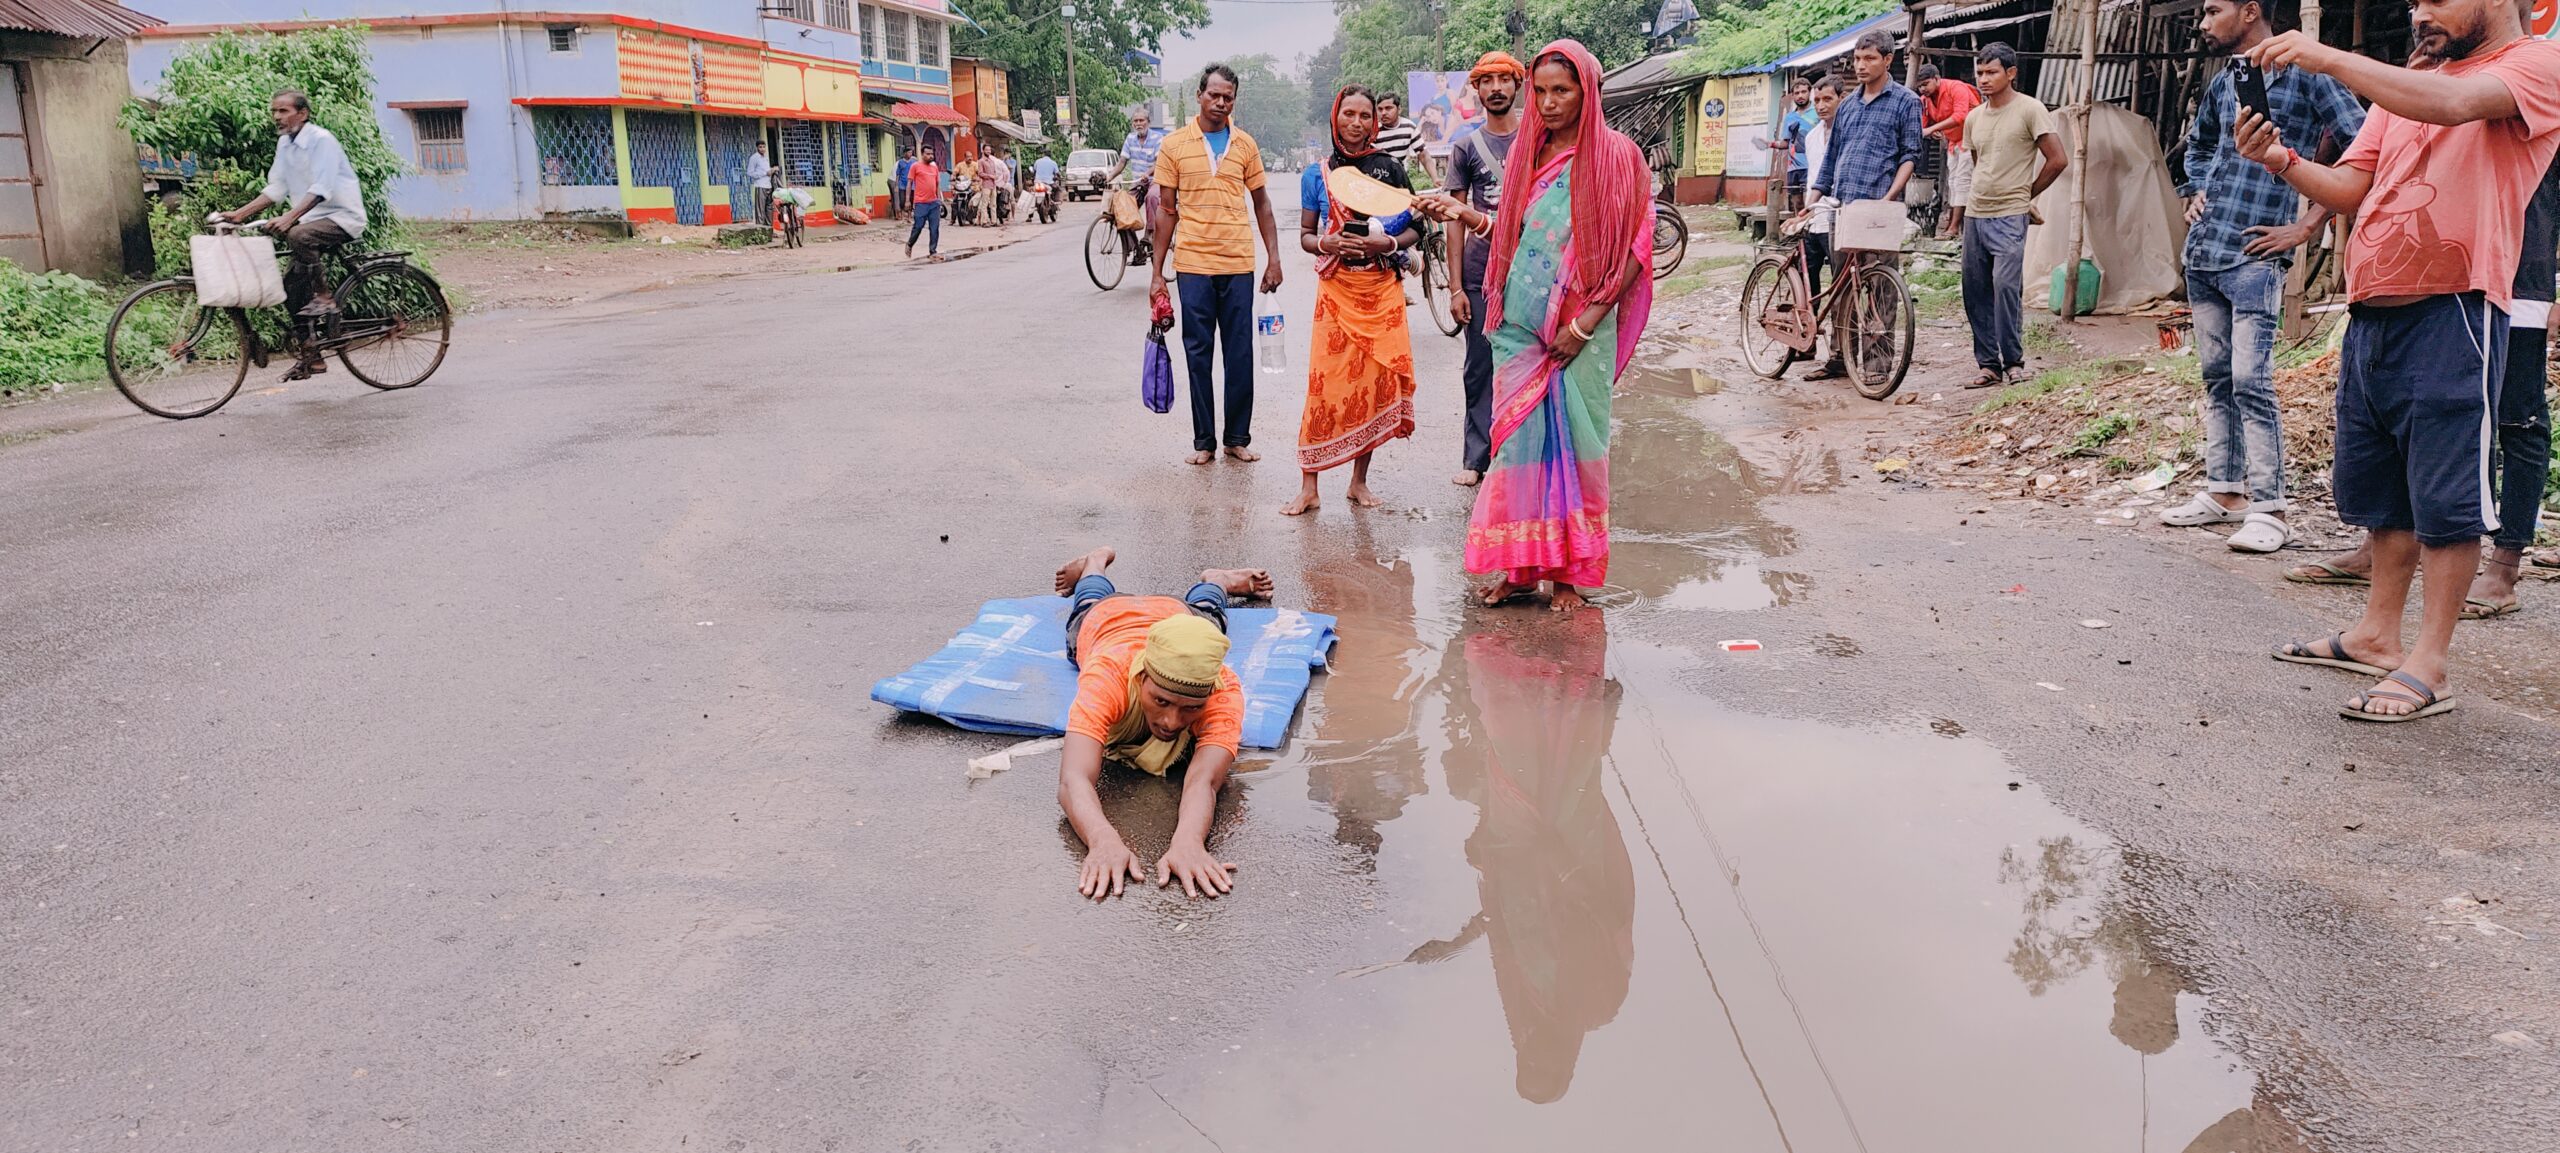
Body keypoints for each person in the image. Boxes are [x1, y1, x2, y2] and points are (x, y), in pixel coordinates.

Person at [2241, 0, 2560, 720]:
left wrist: (2327, 58)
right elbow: (2352, 187)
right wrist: (2279, 159)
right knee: (2386, 488)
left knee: (2447, 492)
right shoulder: (2409, 86)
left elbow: (2455, 106)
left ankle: (2431, 663)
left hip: (2458, 306)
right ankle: (2377, 634)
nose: (2420, 13)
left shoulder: (2537, 65)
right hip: (2374, 311)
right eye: (2415, 1)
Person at [2285, 111, 2560, 618]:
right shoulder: (2424, 87)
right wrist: (2309, 218)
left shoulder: (2523, 83)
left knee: (2515, 418)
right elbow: (2375, 168)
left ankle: (2504, 565)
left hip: (2521, 277)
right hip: (2439, 275)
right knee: (2412, 423)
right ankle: (2377, 552)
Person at [1415, 40, 1653, 614]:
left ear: (1587, 92)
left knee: (1577, 445)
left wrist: (1586, 324)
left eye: (1561, 91)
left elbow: (1635, 248)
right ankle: (1521, 570)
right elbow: (1513, 231)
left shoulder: (1619, 157)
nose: (1547, 103)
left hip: (1582, 326)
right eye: (1541, 91)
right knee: (1518, 446)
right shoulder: (1529, 151)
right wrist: (1462, 213)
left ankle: (1568, 575)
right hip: (1522, 323)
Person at [2161, 0, 2367, 553]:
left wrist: (2306, 225)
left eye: (2213, 11)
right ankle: (2224, 491)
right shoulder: (2225, 80)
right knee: (2217, 378)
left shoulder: (2310, 75)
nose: (2203, 23)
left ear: (2250, 11)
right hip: (2205, 251)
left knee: (2252, 381)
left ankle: (2270, 508)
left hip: (2256, 254)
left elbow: (2366, 150)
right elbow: (2199, 144)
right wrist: (2193, 190)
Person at [1050, 546, 1276, 900]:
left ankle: (1217, 579)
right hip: (1108, 617)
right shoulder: (1107, 675)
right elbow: (1073, 779)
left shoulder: (1221, 690)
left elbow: (1204, 780)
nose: (1171, 722)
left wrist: (1189, 842)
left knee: (1208, 614)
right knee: (1090, 600)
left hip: (1182, 617)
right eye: (1161, 701)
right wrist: (1102, 840)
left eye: (1191, 709)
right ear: (1140, 677)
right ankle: (1095, 563)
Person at [1286, 85, 1422, 517]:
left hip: (1381, 290)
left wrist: (1387, 244)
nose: (1357, 122)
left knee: (1374, 388)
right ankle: (1309, 486)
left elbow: (1416, 228)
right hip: (1336, 290)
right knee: (1323, 386)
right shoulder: (1317, 174)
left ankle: (1358, 482)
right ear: (1335, 117)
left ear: (1375, 121)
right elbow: (1306, 235)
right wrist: (1327, 243)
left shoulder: (1390, 169)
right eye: (1349, 114)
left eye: (1365, 115)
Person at [1150, 63, 1287, 466]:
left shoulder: (1245, 145)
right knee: (1198, 353)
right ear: (1199, 95)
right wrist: (1157, 273)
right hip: (1193, 264)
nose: (1221, 102)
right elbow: (1166, 211)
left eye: (1228, 97)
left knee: (1239, 353)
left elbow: (1262, 204)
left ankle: (1237, 439)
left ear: (1234, 101)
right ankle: (1204, 442)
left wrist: (1274, 258)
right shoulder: (1174, 145)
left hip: (1238, 262)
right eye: (1214, 95)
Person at [216, 89, 368, 380]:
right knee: (290, 288)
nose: (277, 117)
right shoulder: (285, 144)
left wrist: (289, 217)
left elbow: (322, 188)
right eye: (274, 111)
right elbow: (276, 188)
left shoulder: (322, 140)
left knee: (298, 236)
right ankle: (313, 357)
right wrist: (239, 214)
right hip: (310, 220)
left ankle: (324, 296)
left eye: (283, 111)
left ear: (303, 113)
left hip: (342, 217)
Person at [1804, 29, 1924, 382]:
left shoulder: (1905, 102)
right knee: (1843, 286)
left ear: (1888, 60)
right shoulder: (1847, 106)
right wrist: (1812, 202)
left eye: (1869, 58)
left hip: (1879, 209)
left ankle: (1876, 366)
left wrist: (1890, 196)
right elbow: (1831, 160)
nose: (1861, 65)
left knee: (1880, 288)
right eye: (1857, 58)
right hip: (1843, 207)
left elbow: (1911, 155)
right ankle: (1840, 359)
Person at [1437, 51, 1528, 489]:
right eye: (1486, 81)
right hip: (1479, 273)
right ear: (1476, 89)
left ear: (1517, 86)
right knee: (1479, 367)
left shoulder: (1538, 138)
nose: (1495, 88)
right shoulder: (1466, 146)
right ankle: (1476, 458)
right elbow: (1454, 217)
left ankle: (1521, 457)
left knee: (1528, 363)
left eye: (1503, 80)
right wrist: (1455, 287)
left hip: (1532, 271)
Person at [1958, 43, 2067, 389]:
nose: (1983, 79)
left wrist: (2026, 193)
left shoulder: (2030, 109)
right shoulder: (1974, 117)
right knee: (1975, 291)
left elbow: (2058, 160)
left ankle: (2014, 362)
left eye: (1991, 72)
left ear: (2011, 73)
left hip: (2010, 214)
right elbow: (1978, 162)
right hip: (1976, 214)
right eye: (1979, 73)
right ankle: (1988, 365)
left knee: (2005, 287)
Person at [1915, 63, 1984, 239]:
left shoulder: (1956, 88)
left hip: (1972, 139)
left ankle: (1953, 228)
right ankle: (1954, 227)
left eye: (1926, 84)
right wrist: (1932, 130)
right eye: (1920, 86)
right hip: (1953, 142)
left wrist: (1933, 128)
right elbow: (1923, 125)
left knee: (1962, 181)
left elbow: (1960, 115)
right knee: (1952, 183)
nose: (1923, 89)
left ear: (1937, 79)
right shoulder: (1925, 100)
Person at [1799, 75, 1842, 300]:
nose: (1821, 106)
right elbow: (1813, 176)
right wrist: (1807, 209)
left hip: (1837, 217)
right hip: (1813, 215)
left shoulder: (1847, 134)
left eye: (1827, 99)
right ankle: (1809, 317)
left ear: (1841, 99)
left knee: (1840, 278)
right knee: (1807, 276)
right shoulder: (1811, 136)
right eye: (1817, 100)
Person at [1112, 110, 1168, 260]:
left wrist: (1147, 174)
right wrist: (1109, 176)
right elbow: (1122, 162)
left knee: (1151, 197)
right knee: (1122, 208)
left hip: (1154, 180)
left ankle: (1149, 234)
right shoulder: (1130, 139)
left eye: (1141, 120)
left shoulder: (1157, 138)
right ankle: (1134, 247)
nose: (1138, 124)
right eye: (1135, 121)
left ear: (1148, 122)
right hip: (1137, 183)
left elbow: (1159, 163)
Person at [1772, 77, 1816, 212]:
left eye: (1803, 92)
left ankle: (1810, 224)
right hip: (1794, 167)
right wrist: (1770, 144)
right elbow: (1786, 142)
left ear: (1810, 92)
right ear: (1792, 96)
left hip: (1812, 165)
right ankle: (1799, 225)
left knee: (1810, 202)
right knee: (1797, 203)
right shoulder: (1790, 117)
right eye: (1797, 93)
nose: (1800, 96)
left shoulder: (1817, 113)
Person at [905, 143, 944, 259]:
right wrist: (907, 200)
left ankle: (933, 251)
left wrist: (939, 199)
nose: (930, 156)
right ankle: (910, 244)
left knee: (934, 228)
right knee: (918, 226)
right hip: (921, 203)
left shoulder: (934, 167)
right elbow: (909, 183)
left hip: (934, 203)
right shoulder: (915, 166)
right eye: (928, 154)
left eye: (932, 154)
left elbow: (937, 184)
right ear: (922, 154)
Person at [1373, 93, 1424, 172]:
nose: (1383, 113)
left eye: (1388, 108)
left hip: (1399, 175)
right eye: (1380, 109)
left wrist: (1435, 178)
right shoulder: (1373, 130)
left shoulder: (1409, 127)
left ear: (1399, 109)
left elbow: (1423, 155)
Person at [746, 141, 774, 234]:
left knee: (769, 209)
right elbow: (750, 173)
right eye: (760, 147)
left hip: (768, 186)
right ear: (757, 148)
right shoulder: (754, 158)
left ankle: (769, 231)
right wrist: (765, 173)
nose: (762, 149)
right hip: (760, 186)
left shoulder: (766, 158)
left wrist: (772, 171)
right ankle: (760, 232)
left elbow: (768, 171)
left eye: (763, 147)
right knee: (760, 210)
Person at [893, 145, 914, 219]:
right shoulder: (900, 162)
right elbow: (898, 174)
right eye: (909, 152)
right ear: (905, 153)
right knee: (902, 200)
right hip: (902, 184)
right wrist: (896, 185)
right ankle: (902, 216)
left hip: (911, 184)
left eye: (911, 153)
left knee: (910, 200)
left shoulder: (913, 162)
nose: (910, 154)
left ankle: (909, 216)